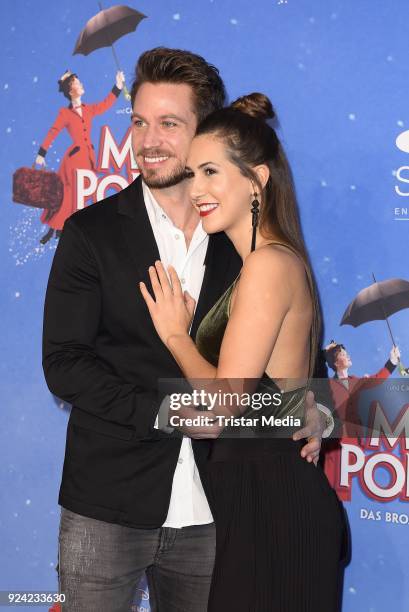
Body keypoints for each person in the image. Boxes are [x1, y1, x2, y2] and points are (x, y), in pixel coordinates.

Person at [43, 48, 332, 612]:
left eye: (169, 124)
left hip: (219, 512)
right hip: (107, 504)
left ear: (209, 131)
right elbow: (65, 363)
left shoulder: (243, 245)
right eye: (139, 121)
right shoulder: (91, 233)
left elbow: (291, 351)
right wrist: (168, 413)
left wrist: (317, 411)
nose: (148, 140)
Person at [140, 93, 345, 611]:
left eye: (211, 172)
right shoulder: (264, 262)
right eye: (191, 173)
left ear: (256, 180)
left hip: (272, 506)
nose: (197, 189)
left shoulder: (267, 265)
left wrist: (176, 335)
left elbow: (227, 402)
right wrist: (312, 412)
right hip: (256, 499)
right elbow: (280, 397)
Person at [35, 69, 125, 244]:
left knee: (83, 196)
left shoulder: (88, 109)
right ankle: (56, 228)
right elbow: (53, 131)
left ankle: (70, 230)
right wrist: (41, 153)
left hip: (88, 158)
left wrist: (118, 86)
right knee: (68, 195)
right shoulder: (65, 113)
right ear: (71, 91)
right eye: (77, 82)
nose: (81, 83)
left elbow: (105, 104)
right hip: (74, 161)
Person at [323, 340, 400, 500]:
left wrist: (392, 361)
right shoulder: (328, 385)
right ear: (336, 363)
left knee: (343, 492)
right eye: (343, 354)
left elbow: (377, 379)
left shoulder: (356, 381)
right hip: (334, 446)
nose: (348, 355)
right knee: (326, 488)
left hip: (353, 447)